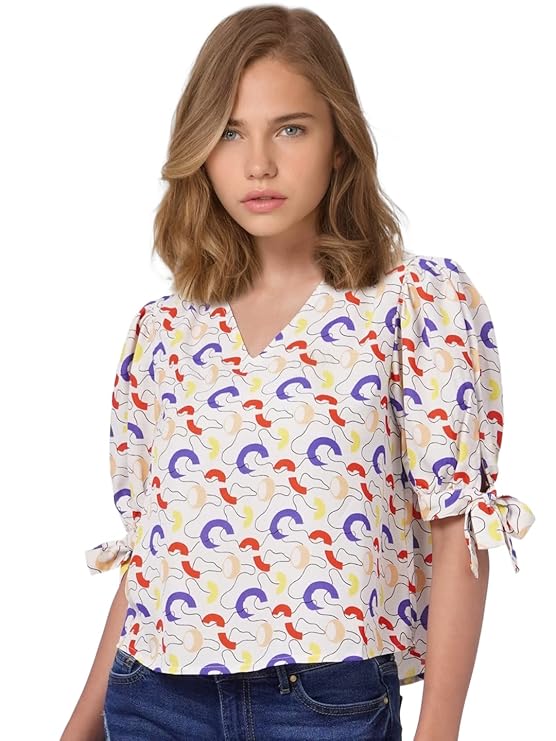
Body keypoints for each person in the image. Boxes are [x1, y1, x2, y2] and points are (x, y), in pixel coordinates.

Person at [61, 5, 536, 741]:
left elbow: (457, 532)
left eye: (290, 128)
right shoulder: (166, 331)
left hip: (324, 705)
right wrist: (77, 729)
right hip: (150, 699)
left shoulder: (415, 303)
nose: (258, 164)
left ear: (340, 142)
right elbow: (151, 559)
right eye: (229, 133)